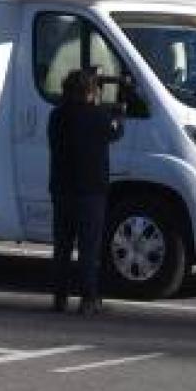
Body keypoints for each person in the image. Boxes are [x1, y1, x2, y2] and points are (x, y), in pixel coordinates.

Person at [49, 67, 117, 315]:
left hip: (62, 189)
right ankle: (89, 298)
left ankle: (59, 297)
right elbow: (116, 131)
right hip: (91, 192)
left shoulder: (56, 116)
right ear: (90, 92)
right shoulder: (99, 116)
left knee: (62, 246)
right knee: (89, 248)